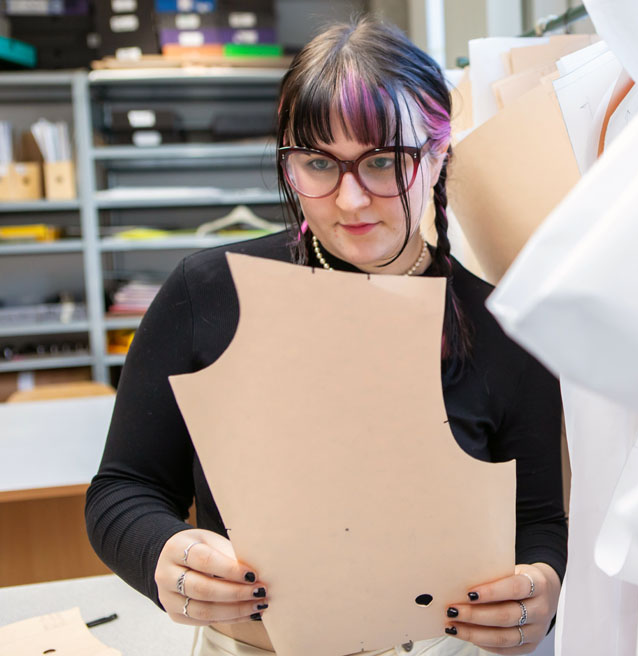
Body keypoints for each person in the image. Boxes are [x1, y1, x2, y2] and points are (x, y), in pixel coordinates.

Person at [85, 18, 567, 656]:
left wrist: (540, 587)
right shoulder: (207, 294)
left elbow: (538, 522)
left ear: (438, 152)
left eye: (383, 162)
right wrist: (168, 558)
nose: (350, 200)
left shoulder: (507, 330)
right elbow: (123, 489)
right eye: (318, 163)